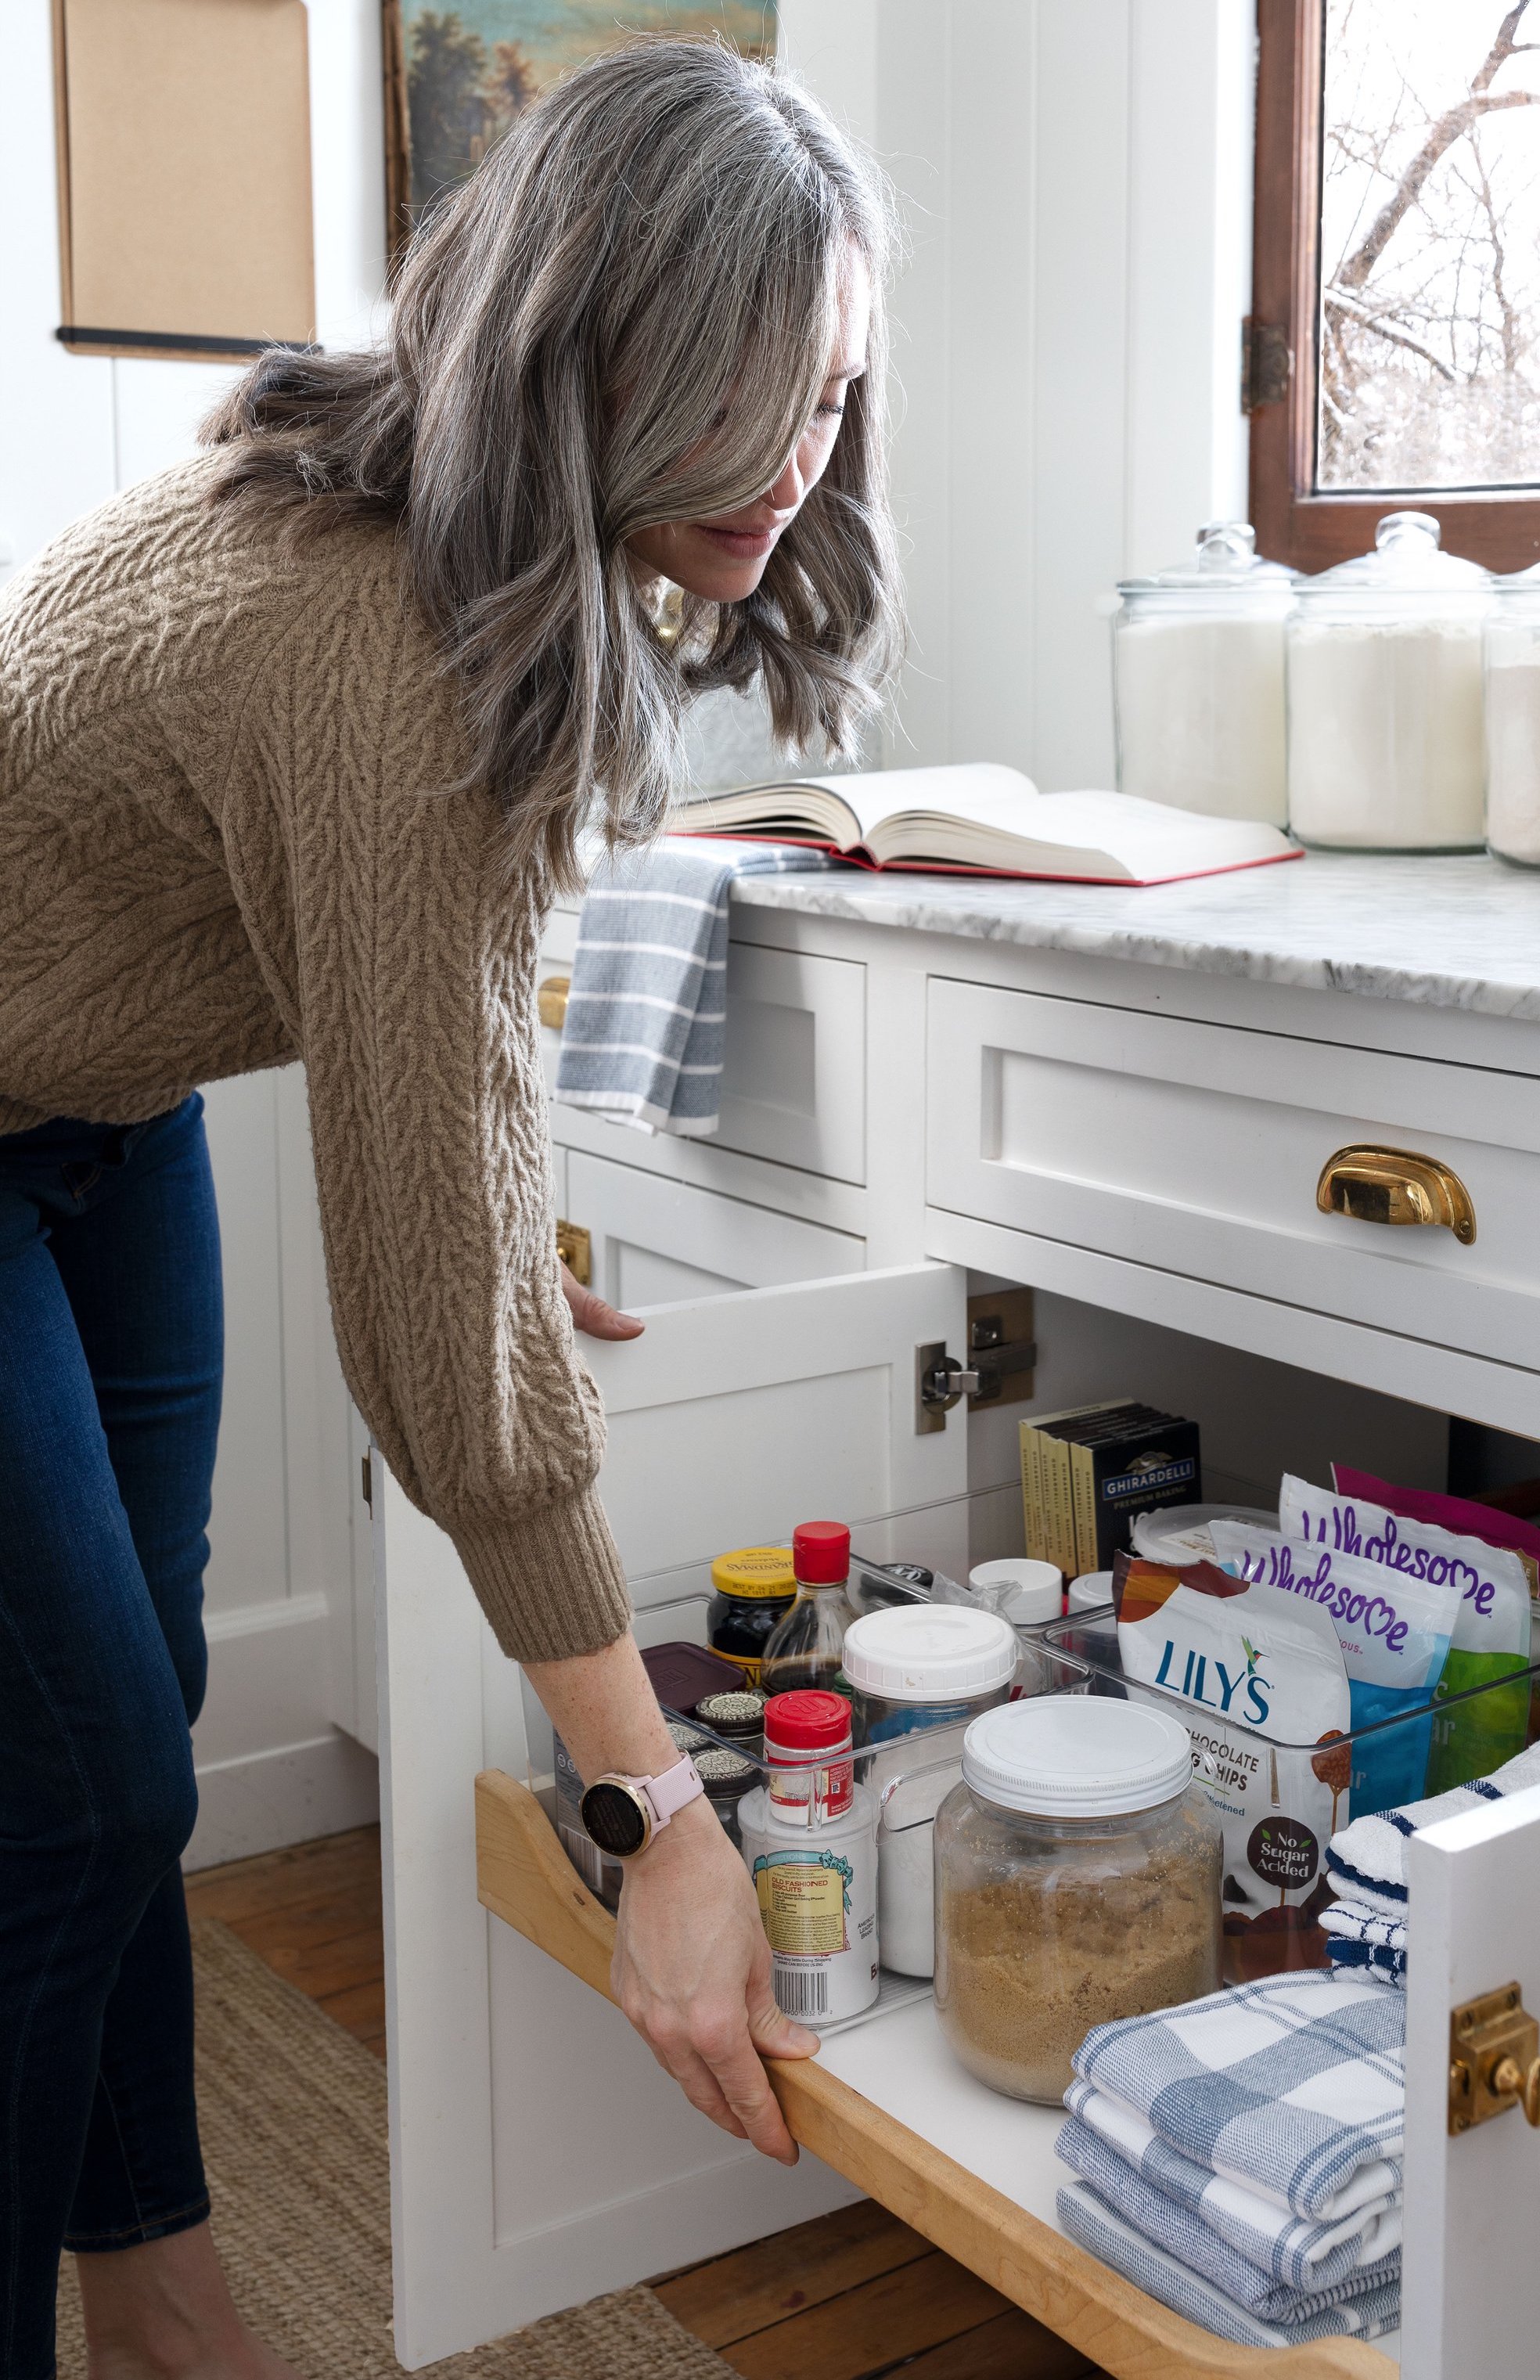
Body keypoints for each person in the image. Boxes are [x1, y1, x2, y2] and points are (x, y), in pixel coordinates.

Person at [0, 40, 898, 2380]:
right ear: (582, 342)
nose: (791, 459)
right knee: (83, 1777)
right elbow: (436, 1335)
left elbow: (448, 1045)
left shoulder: (451, 520)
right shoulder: (374, 639)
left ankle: (156, 2290)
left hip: (95, 1115)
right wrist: (655, 1813)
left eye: (828, 393)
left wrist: (519, 1236)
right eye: (739, 388)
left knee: (131, 1724)